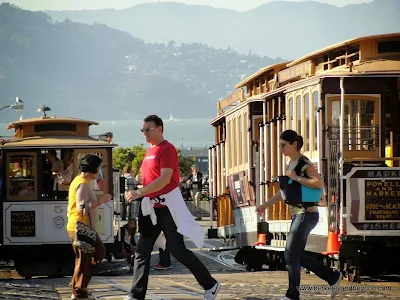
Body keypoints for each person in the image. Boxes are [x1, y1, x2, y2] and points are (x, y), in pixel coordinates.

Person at [124, 114, 221, 300]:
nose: (144, 133)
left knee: (177, 250)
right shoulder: (148, 151)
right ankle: (136, 296)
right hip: (151, 208)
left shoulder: (167, 149)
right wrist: (139, 190)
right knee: (142, 252)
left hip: (166, 207)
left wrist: (140, 192)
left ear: (160, 128)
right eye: (143, 130)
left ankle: (210, 285)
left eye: (148, 129)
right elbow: (151, 178)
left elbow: (165, 179)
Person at [256, 130, 342, 300]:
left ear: (294, 144)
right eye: (280, 145)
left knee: (290, 253)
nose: (281, 148)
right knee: (295, 255)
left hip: (307, 213)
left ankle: (293, 294)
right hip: (299, 214)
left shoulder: (303, 164)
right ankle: (332, 277)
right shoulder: (291, 164)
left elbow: (318, 183)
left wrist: (296, 178)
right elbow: (285, 192)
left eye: (283, 145)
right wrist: (265, 205)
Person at [66, 154, 113, 299]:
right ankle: (79, 291)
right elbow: (81, 208)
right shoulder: (82, 184)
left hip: (81, 226)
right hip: (81, 226)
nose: (99, 172)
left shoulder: (79, 181)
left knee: (96, 253)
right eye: (98, 169)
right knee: (85, 260)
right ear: (91, 170)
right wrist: (101, 200)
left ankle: (78, 285)